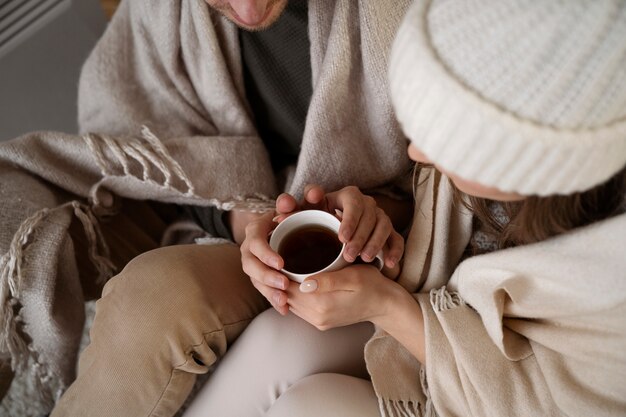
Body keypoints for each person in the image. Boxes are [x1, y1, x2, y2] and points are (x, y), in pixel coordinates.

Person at [184, 0, 626, 416]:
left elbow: (545, 401)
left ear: (530, 167)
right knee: (277, 341)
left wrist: (387, 307)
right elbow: (438, 251)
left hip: (493, 391)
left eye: (442, 144)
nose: (414, 154)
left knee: (309, 406)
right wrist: (369, 220)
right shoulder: (498, 84)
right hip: (441, 320)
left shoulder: (608, 276)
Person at [0, 0, 415, 416]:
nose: (248, 10)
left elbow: (450, 194)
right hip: (224, 210)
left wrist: (374, 212)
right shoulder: (164, 11)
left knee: (152, 305)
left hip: (369, 246)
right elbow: (143, 145)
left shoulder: (409, 18)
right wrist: (241, 220)